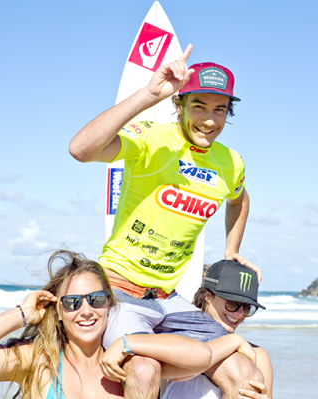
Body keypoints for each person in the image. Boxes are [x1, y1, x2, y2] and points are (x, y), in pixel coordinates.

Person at [69, 45, 263, 398]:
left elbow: (239, 198)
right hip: (122, 293)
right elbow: (81, 149)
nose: (209, 119)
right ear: (179, 105)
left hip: (170, 300)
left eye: (220, 109)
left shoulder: (230, 162)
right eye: (199, 105)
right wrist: (148, 94)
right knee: (144, 367)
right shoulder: (153, 139)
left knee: (247, 375)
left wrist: (232, 249)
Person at [0, 249, 236, 399]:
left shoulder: (128, 366)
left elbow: (200, 357)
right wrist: (22, 314)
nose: (85, 310)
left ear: (110, 303)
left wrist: (127, 343)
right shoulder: (38, 360)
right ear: (57, 310)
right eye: (72, 302)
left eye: (95, 299)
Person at [162, 260, 273, 399]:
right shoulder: (178, 339)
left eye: (246, 307)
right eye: (232, 303)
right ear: (207, 296)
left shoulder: (257, 355)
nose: (239, 313)